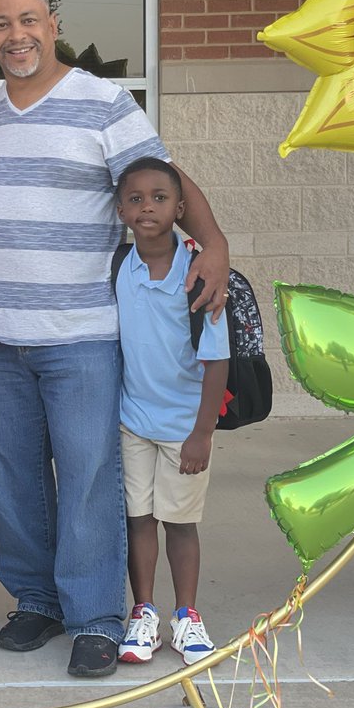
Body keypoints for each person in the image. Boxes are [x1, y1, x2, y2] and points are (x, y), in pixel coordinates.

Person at [0, 0, 231, 678]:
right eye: (1, 24)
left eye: (28, 20)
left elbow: (165, 177)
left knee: (88, 479)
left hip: (79, 332)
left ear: (52, 25)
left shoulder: (104, 102)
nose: (16, 35)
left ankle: (94, 617)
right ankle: (37, 599)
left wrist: (215, 246)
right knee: (10, 480)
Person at [112, 158, 229, 667]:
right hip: (133, 421)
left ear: (180, 208)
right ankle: (143, 613)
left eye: (159, 198)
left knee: (179, 523)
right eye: (135, 199)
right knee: (138, 519)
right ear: (120, 210)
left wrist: (203, 433)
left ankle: (186, 615)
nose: (147, 207)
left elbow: (217, 361)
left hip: (184, 426)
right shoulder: (118, 267)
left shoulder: (200, 273)